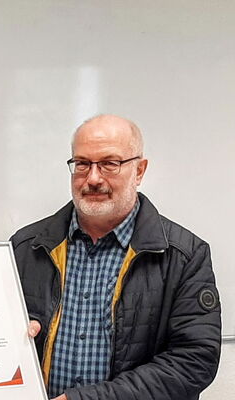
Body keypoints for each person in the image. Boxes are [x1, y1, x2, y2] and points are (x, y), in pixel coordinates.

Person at [14, 114, 221, 400]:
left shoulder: (184, 255)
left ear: (139, 171)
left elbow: (193, 361)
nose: (93, 178)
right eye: (82, 164)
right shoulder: (26, 247)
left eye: (110, 163)